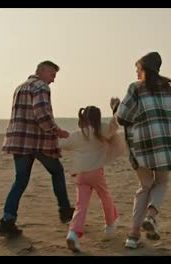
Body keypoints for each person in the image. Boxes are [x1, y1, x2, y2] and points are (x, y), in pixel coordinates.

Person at [115, 52, 171, 249]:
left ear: (144, 68)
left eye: (137, 69)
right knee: (161, 183)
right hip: (165, 145)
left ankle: (133, 235)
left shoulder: (135, 88)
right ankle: (152, 216)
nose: (136, 72)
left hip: (143, 146)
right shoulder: (169, 89)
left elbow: (122, 118)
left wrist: (115, 107)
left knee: (145, 186)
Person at [0, 60, 75, 237]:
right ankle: (64, 210)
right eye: (52, 75)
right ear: (42, 71)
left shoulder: (20, 87)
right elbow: (41, 113)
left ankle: (7, 220)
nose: (53, 80)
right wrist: (57, 131)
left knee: (20, 181)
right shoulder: (41, 86)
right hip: (37, 141)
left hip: (19, 141)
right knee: (57, 171)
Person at [59, 102, 126, 252]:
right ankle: (110, 226)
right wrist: (115, 109)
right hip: (96, 173)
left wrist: (55, 132)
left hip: (80, 175)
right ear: (98, 118)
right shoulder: (102, 131)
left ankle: (73, 234)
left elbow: (60, 143)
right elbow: (115, 124)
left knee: (80, 205)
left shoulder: (77, 134)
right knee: (105, 197)